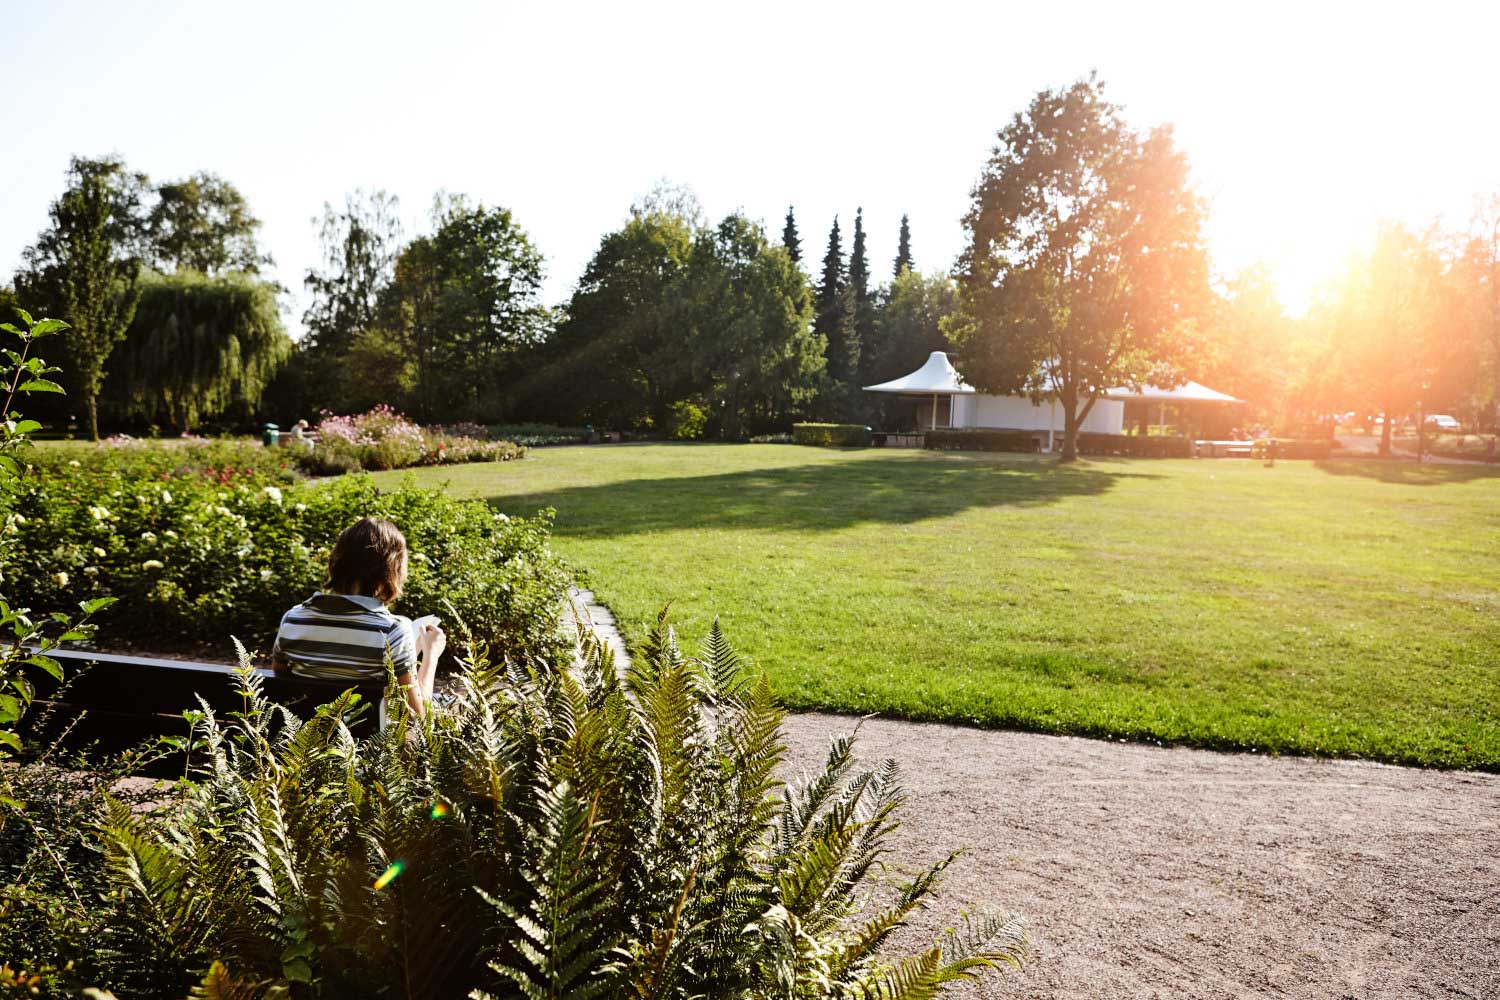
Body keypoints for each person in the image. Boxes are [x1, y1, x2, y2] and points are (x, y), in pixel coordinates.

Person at [271, 517, 446, 725]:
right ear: (392, 569)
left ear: (334, 563)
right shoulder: (393, 630)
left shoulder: (293, 620)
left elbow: (281, 677)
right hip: (366, 752)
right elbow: (416, 715)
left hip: (303, 748)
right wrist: (431, 655)